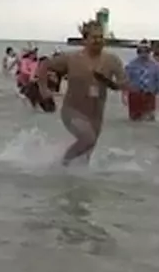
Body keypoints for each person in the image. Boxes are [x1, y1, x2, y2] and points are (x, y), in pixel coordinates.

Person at [39, 19, 126, 166]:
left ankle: (76, 181)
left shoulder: (112, 60)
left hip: (96, 115)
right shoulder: (72, 58)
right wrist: (44, 89)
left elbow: (124, 83)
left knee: (87, 152)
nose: (98, 40)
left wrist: (111, 83)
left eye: (101, 37)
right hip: (72, 111)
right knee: (88, 139)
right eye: (94, 37)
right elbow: (44, 65)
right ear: (85, 39)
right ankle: (62, 165)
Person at [122, 40, 159, 121]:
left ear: (150, 51)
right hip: (135, 95)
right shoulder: (131, 65)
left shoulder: (156, 66)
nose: (144, 53)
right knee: (134, 121)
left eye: (146, 50)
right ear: (138, 51)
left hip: (149, 95)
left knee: (149, 121)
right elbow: (125, 81)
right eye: (141, 50)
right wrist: (124, 95)